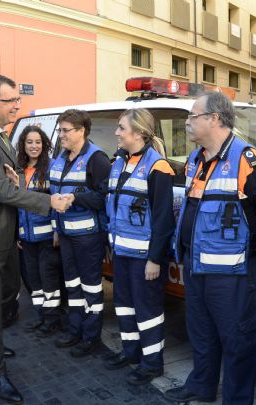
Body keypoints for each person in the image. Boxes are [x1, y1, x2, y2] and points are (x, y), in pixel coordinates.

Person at [164, 92, 256, 404]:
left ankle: (236, 399)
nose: (188, 122)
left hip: (235, 275)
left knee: (238, 341)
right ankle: (201, 387)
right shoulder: (195, 159)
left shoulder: (249, 161)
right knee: (202, 334)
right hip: (197, 269)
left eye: (193, 116)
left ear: (214, 119)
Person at [0, 74, 67, 404]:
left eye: (17, 99)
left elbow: (13, 176)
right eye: (11, 100)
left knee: (8, 294)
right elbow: (5, 190)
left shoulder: (0, 134)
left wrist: (13, 177)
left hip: (5, 231)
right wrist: (49, 201)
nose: (17, 105)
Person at [104, 108, 174, 386]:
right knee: (124, 306)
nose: (117, 133)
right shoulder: (120, 162)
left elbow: (163, 220)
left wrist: (155, 259)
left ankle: (152, 363)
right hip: (122, 253)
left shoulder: (158, 167)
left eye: (122, 128)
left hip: (145, 257)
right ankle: (131, 353)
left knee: (148, 311)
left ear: (139, 133)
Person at [50, 109, 111, 358]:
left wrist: (76, 197)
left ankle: (91, 336)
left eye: (66, 130)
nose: (61, 135)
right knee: (72, 285)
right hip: (65, 235)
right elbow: (53, 193)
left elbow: (104, 198)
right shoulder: (60, 157)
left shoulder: (98, 159)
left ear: (81, 131)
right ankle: (75, 329)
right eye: (60, 130)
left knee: (91, 288)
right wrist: (56, 228)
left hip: (88, 238)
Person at [14, 125, 62, 337]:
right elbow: (16, 205)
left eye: (38, 142)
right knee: (33, 280)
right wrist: (17, 233)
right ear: (23, 145)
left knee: (48, 278)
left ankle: (52, 319)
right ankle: (41, 315)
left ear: (44, 145)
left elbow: (57, 202)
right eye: (29, 142)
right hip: (26, 237)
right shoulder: (18, 171)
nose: (34, 146)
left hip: (46, 237)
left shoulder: (52, 168)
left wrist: (56, 230)